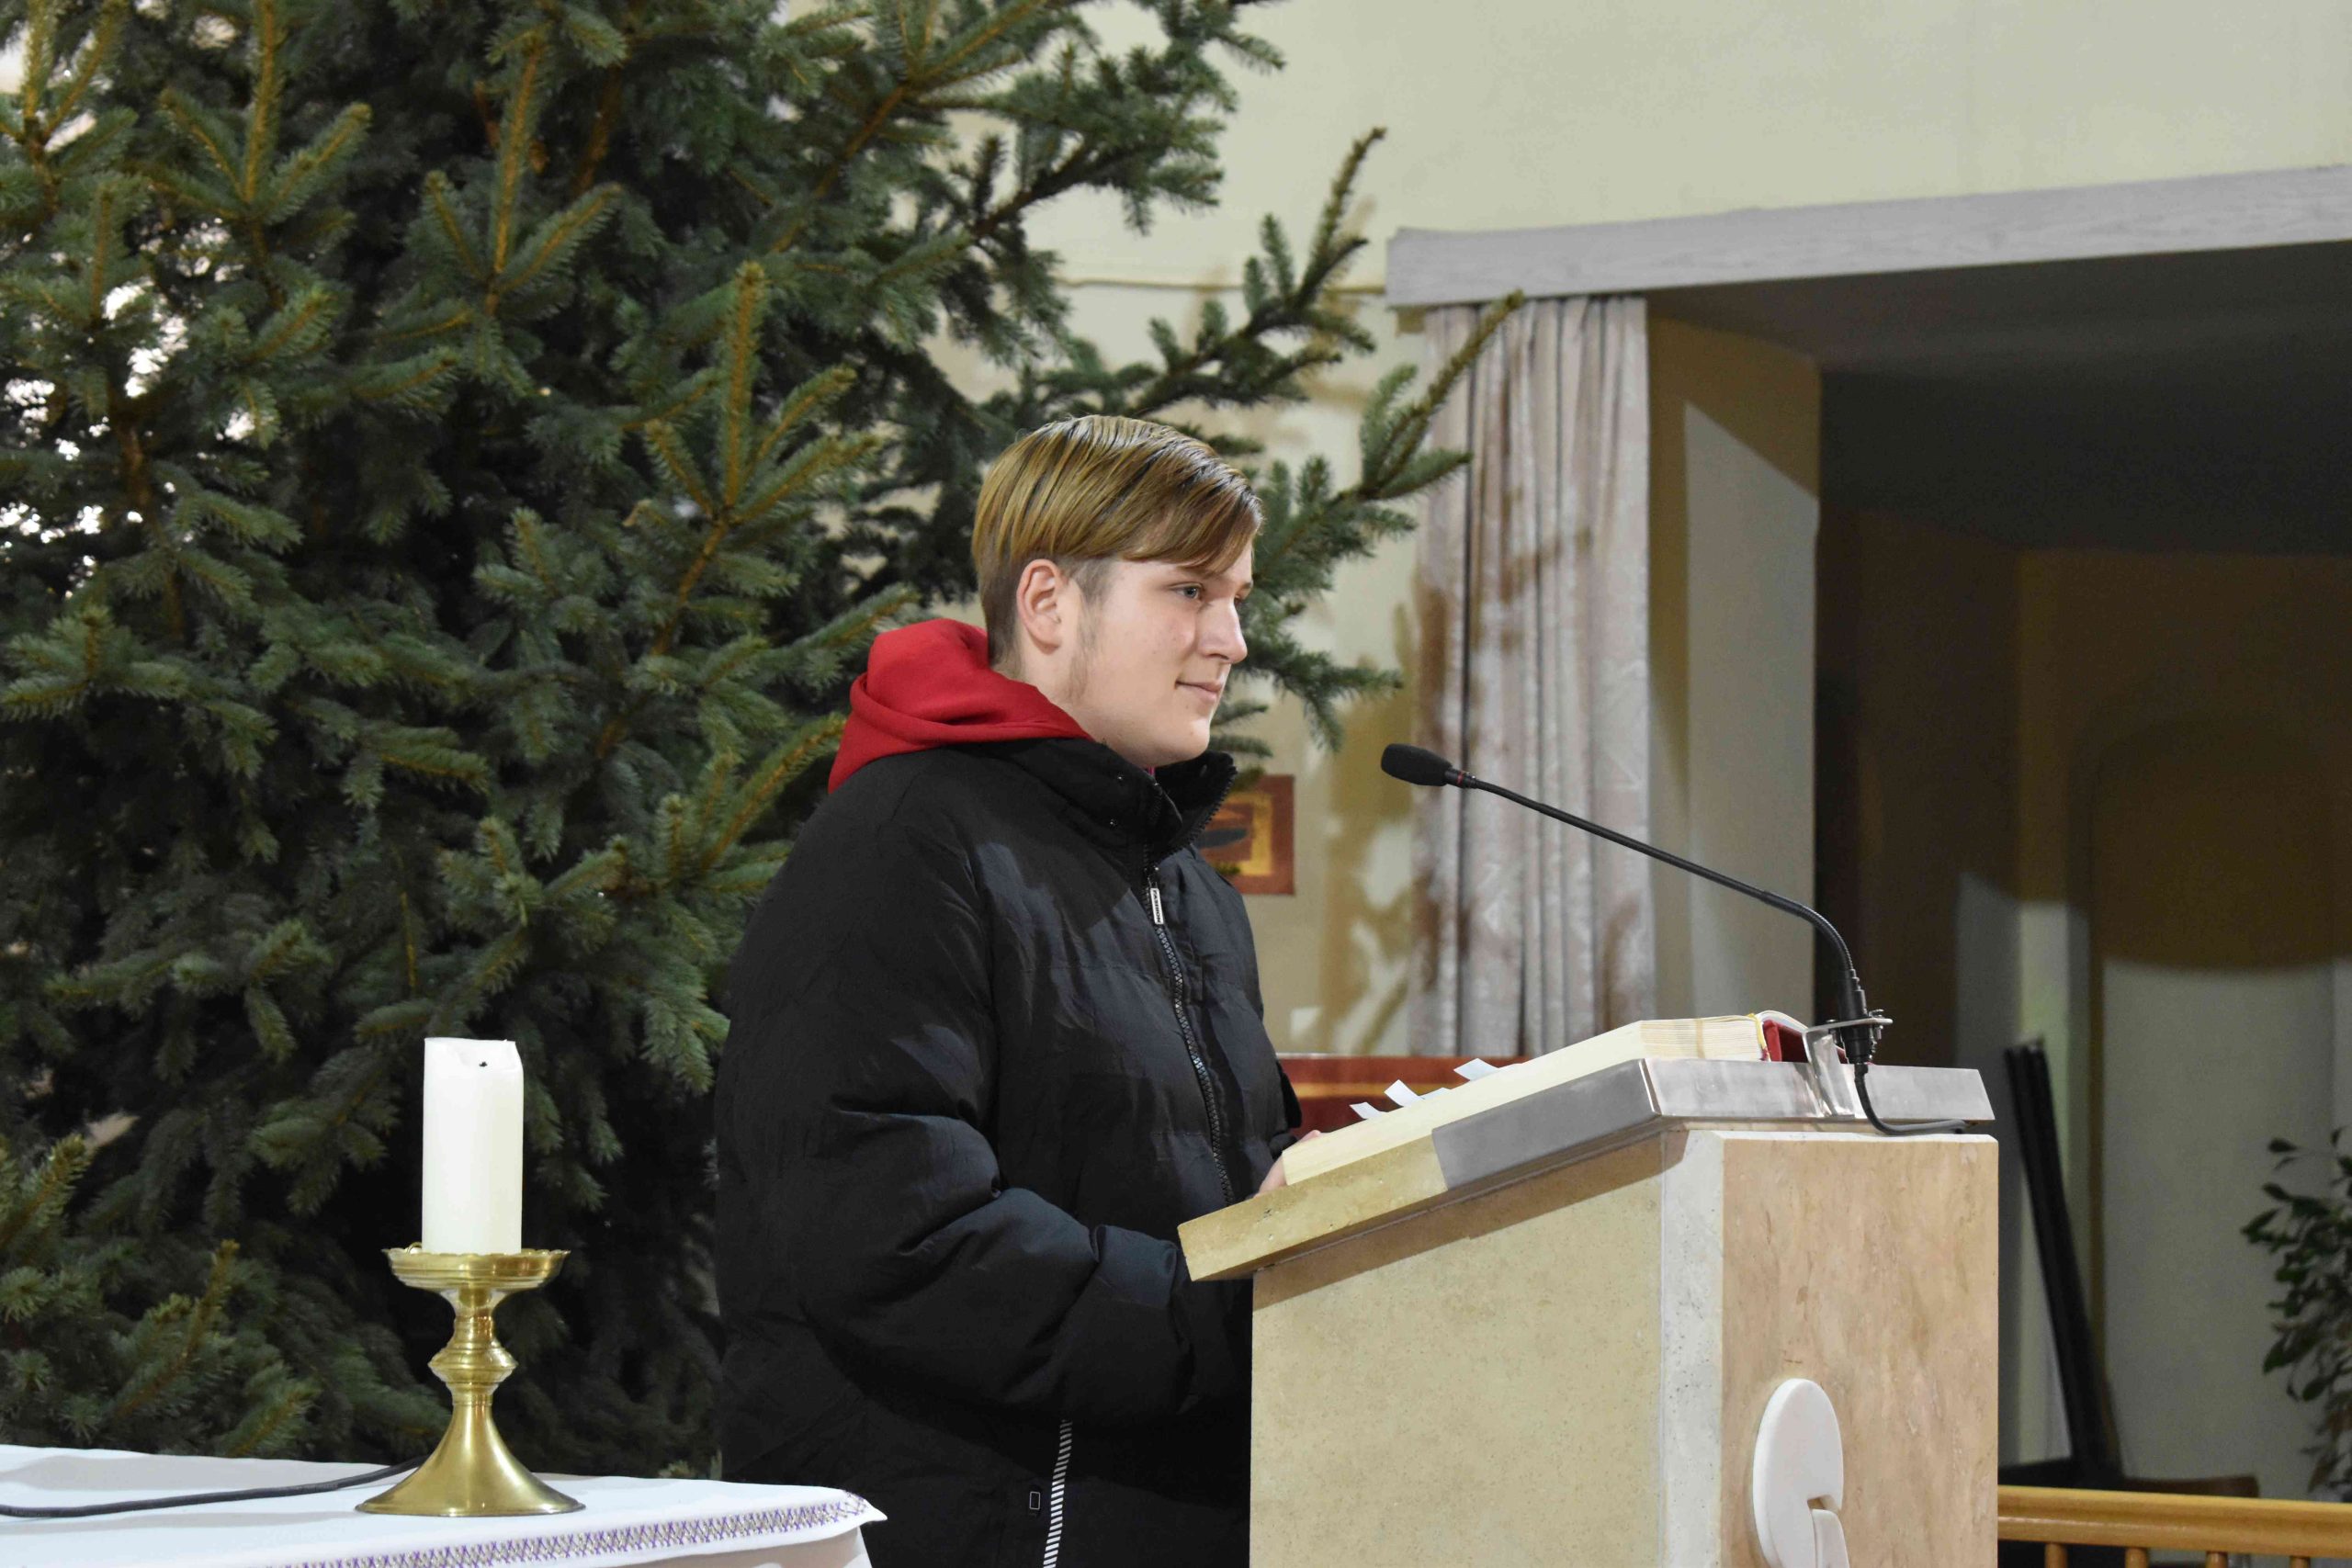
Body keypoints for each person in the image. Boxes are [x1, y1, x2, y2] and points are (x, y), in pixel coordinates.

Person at [714, 415, 1304, 1568]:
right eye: (1188, 590)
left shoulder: (1184, 883)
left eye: (1237, 599)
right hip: (972, 1526)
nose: (1230, 640)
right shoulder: (901, 842)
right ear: (1048, 603)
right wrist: (1226, 1308)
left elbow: (1213, 1175)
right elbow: (896, 1236)